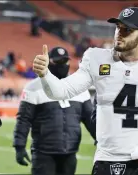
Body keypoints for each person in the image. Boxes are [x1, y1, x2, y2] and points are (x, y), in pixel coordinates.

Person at [33, 7, 138, 175]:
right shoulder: (96, 59)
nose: (119, 33)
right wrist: (45, 74)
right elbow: (61, 92)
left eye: (127, 30)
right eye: (118, 27)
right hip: (105, 160)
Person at [13, 47, 96, 175]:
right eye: (57, 62)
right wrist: (19, 146)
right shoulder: (33, 87)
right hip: (43, 154)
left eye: (64, 62)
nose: (62, 65)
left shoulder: (79, 87)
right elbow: (23, 119)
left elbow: (90, 118)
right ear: (49, 62)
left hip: (70, 153)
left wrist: (101, 139)